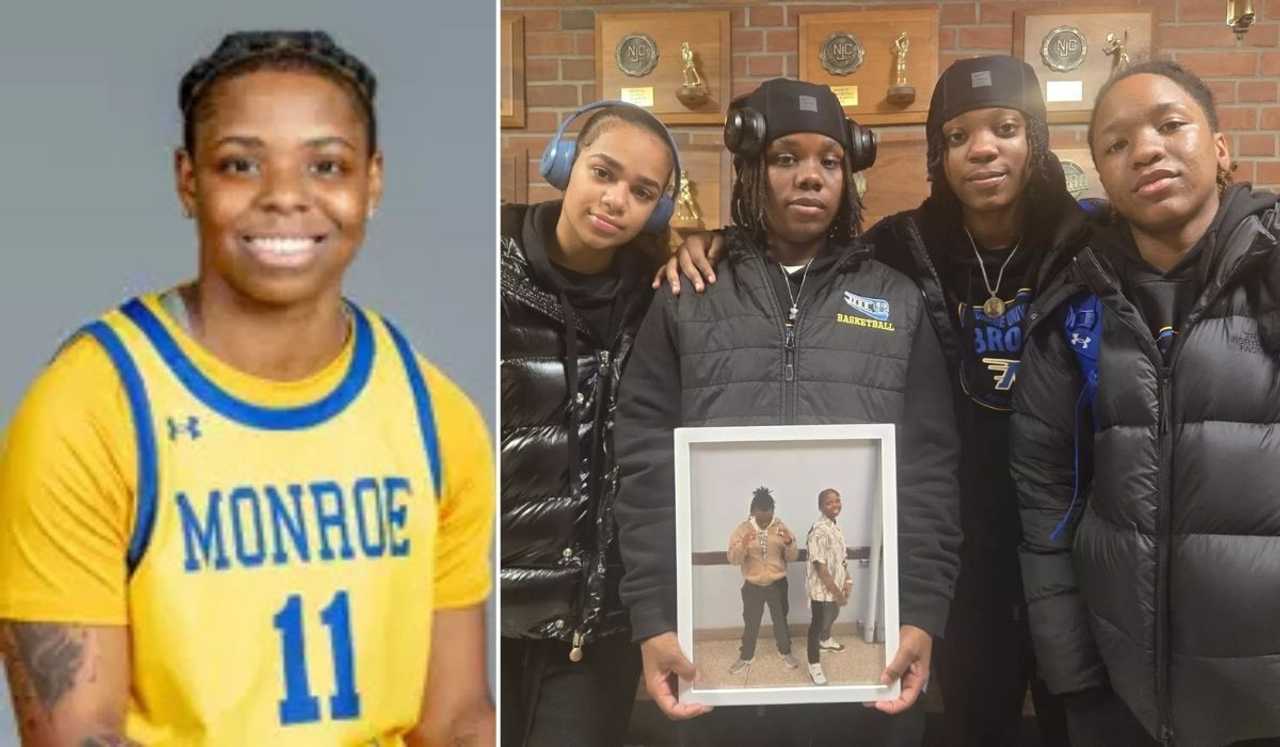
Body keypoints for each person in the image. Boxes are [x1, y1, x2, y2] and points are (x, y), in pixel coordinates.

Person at [0, 31, 494, 746]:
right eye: (241, 163)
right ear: (188, 179)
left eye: (326, 165)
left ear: (372, 182)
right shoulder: (88, 409)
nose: (286, 197)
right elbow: (78, 736)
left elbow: (456, 722)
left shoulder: (434, 414)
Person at [661, 56, 1082, 746]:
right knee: (975, 719)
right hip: (960, 546)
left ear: (1034, 138)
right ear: (936, 155)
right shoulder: (896, 254)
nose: (982, 148)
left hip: (1071, 539)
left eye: (1005, 128)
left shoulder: (1091, 245)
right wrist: (712, 245)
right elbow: (801, 270)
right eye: (957, 136)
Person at [614, 77, 961, 745]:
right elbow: (644, 464)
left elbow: (929, 471)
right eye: (785, 159)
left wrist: (920, 610)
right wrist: (653, 616)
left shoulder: (897, 300)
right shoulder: (688, 292)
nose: (810, 177)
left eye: (829, 161)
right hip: (715, 665)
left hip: (865, 648)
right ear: (750, 169)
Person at [1012, 59, 1280, 746]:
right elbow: (1045, 494)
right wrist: (1071, 672)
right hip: (1119, 699)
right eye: (1117, 143)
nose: (1147, 150)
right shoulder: (1074, 305)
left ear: (1220, 148)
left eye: (1170, 125)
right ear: (1101, 174)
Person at [498, 100, 677, 746]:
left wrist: (713, 244)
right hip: (486, 615)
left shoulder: (660, 297)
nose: (615, 199)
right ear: (563, 165)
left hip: (596, 630)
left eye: (641, 191)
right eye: (603, 172)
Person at [725, 487, 800, 674]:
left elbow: (792, 557)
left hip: (777, 583)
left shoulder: (781, 528)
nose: (765, 520)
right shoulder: (742, 529)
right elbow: (733, 559)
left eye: (768, 515)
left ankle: (786, 652)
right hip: (753, 585)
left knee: (781, 620)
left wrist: (790, 543)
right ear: (753, 512)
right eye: (761, 517)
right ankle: (746, 656)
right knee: (751, 622)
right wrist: (743, 544)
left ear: (773, 511)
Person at [805, 488, 852, 686]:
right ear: (821, 506)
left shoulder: (835, 527)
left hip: (837, 585)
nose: (835, 505)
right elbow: (821, 568)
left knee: (833, 614)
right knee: (817, 623)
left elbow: (841, 559)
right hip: (820, 588)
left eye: (837, 500)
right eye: (829, 502)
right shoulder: (818, 530)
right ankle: (813, 664)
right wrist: (837, 593)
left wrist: (847, 581)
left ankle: (826, 640)